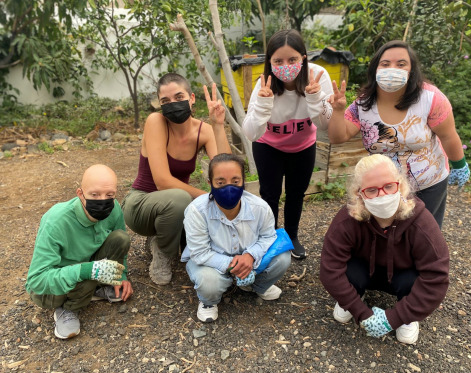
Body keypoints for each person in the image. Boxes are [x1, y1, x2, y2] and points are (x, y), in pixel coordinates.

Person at [328, 40, 470, 228]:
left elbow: (448, 136)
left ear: (412, 70)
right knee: (389, 233)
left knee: (425, 233)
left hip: (429, 183)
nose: (392, 69)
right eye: (385, 64)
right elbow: (339, 137)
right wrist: (338, 111)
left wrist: (459, 165)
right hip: (384, 188)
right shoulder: (363, 105)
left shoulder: (431, 99)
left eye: (401, 64)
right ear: (375, 69)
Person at [320, 154, 449, 344]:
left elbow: (436, 278)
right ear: (359, 193)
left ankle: (408, 317)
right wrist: (360, 312)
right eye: (371, 190)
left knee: (414, 280)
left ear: (400, 185)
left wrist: (395, 318)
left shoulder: (421, 222)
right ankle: (353, 296)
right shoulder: (347, 221)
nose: (382, 195)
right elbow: (330, 269)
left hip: (402, 275)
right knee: (348, 272)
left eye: (389, 186)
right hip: (363, 270)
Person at [121, 73, 231, 285]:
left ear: (191, 98)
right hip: (140, 204)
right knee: (183, 198)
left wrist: (218, 126)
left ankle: (168, 239)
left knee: (220, 198)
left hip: (174, 206)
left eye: (178, 97)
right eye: (165, 101)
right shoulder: (156, 121)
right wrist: (210, 196)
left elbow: (225, 171)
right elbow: (162, 181)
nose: (172, 104)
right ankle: (162, 253)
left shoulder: (204, 131)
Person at [242, 29, 334, 260]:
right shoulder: (264, 85)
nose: (286, 65)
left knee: (296, 194)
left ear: (303, 57)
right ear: (269, 62)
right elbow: (251, 133)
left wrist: (315, 98)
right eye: (278, 61)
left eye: (292, 59)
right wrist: (263, 105)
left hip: (303, 147)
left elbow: (325, 124)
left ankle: (292, 236)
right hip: (268, 147)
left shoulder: (318, 76)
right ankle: (270, 237)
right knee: (270, 195)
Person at [26, 164, 133, 340]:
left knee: (120, 238)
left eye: (110, 195)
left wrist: (121, 276)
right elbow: (36, 281)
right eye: (94, 195)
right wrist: (86, 270)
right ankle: (68, 309)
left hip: (90, 265)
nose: (103, 201)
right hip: (53, 287)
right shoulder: (56, 221)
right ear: (80, 193)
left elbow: (121, 249)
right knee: (87, 275)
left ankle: (95, 288)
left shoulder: (114, 209)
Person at [181, 153, 291, 323]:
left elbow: (268, 236)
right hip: (210, 263)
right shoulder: (197, 211)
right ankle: (208, 302)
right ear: (210, 183)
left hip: (248, 259)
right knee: (207, 282)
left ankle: (254, 286)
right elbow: (200, 253)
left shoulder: (260, 208)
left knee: (283, 258)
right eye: (220, 182)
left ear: (243, 182)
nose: (229, 187)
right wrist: (234, 265)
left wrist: (250, 256)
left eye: (235, 181)